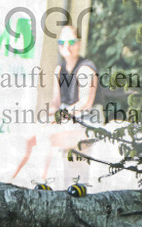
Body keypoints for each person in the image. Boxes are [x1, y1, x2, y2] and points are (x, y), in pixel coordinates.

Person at [11, 24, 101, 183]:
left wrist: (60, 116)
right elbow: (56, 103)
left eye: (71, 42)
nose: (66, 46)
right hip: (67, 119)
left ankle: (42, 182)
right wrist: (44, 119)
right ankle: (13, 178)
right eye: (61, 43)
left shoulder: (86, 69)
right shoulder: (59, 70)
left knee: (49, 137)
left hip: (86, 121)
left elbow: (86, 103)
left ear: (79, 43)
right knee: (30, 137)